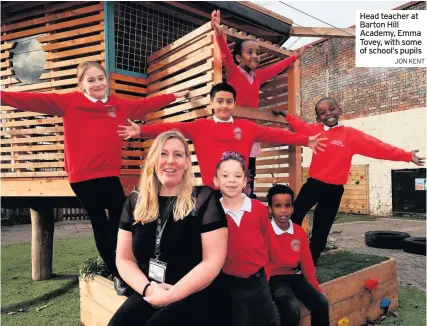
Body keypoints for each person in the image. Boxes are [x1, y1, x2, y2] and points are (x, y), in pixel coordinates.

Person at [0, 61, 190, 295]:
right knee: (100, 224)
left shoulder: (117, 104)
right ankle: (119, 275)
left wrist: (174, 96)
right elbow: (33, 101)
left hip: (109, 174)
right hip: (82, 177)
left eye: (101, 78)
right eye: (91, 80)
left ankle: (129, 266)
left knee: (122, 223)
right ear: (81, 85)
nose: (98, 83)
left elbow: (144, 105)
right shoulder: (69, 102)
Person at [272, 97, 425, 264]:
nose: (328, 114)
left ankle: (310, 260)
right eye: (322, 113)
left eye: (331, 109)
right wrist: (286, 115)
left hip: (334, 190)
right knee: (295, 215)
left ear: (339, 110)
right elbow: (299, 125)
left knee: (322, 228)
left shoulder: (350, 135)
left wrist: (406, 156)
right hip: (313, 185)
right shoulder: (314, 131)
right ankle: (284, 251)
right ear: (318, 118)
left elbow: (377, 147)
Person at [108, 130, 228, 326]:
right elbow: (124, 258)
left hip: (196, 293)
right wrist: (148, 289)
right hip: (152, 290)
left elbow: (213, 261)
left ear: (187, 162)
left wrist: (172, 295)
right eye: (163, 153)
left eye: (178, 154)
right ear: (153, 159)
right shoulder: (134, 201)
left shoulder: (203, 199)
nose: (170, 160)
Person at [118, 83, 326, 192]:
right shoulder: (200, 126)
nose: (224, 105)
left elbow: (278, 134)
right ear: (212, 104)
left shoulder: (247, 127)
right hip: (211, 189)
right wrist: (142, 131)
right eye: (220, 101)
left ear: (234, 104)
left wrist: (306, 140)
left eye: (229, 101)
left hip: (240, 189)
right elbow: (172, 127)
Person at [211, 10, 310, 197]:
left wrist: (295, 57)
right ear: (239, 58)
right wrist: (217, 31)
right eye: (250, 52)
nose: (255, 56)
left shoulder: (258, 76)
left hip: (250, 132)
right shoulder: (233, 72)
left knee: (250, 171)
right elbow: (224, 54)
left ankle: (247, 198)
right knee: (231, 166)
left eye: (257, 52)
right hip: (233, 132)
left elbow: (276, 68)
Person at [214, 151, 278, 326]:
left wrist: (267, 271)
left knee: (269, 320)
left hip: (258, 280)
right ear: (216, 181)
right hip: (228, 282)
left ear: (244, 181)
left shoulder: (258, 209)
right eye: (225, 175)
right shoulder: (213, 213)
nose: (232, 180)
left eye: (238, 175)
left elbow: (267, 240)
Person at [266, 184, 329, 326]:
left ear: (293, 208)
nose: (283, 210)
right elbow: (262, 264)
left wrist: (317, 289)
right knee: (291, 307)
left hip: (295, 276)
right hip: (274, 279)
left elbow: (307, 264)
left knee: (322, 303)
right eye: (278, 206)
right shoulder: (266, 231)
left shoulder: (299, 232)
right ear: (270, 209)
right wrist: (264, 291)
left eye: (287, 205)